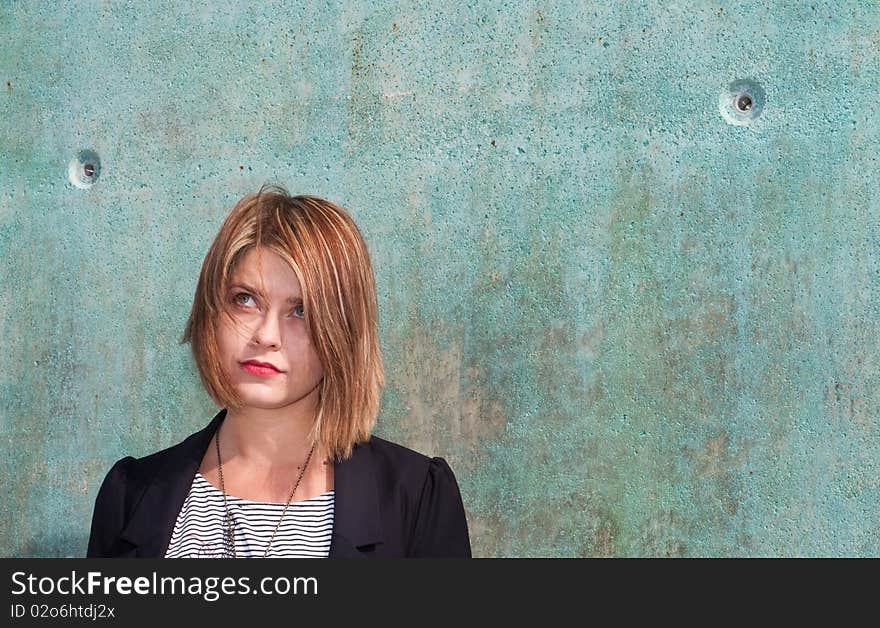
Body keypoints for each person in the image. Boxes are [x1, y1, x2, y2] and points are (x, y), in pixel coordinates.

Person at [87, 185, 471, 558]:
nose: (266, 336)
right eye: (246, 300)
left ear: (344, 330)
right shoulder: (131, 495)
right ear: (211, 311)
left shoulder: (418, 497)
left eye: (300, 310)